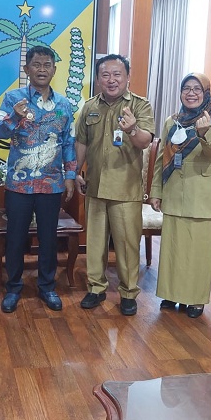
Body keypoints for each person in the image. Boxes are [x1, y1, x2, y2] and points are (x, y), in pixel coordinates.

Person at [0, 45, 77, 313]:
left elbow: (68, 142)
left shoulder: (64, 105)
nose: (42, 69)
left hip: (51, 183)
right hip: (19, 183)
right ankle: (14, 286)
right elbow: (1, 132)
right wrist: (15, 117)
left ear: (54, 69)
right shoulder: (12, 98)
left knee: (48, 237)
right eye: (37, 64)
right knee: (16, 236)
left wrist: (70, 176)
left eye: (47, 65)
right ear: (27, 69)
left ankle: (47, 286)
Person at [75, 54, 155, 316]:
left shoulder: (140, 106)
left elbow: (145, 142)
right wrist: (75, 171)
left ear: (127, 77)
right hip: (95, 185)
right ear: (98, 79)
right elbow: (82, 143)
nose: (111, 80)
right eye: (105, 75)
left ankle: (129, 292)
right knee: (95, 242)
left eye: (117, 74)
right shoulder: (89, 107)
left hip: (125, 189)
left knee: (127, 244)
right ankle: (96, 288)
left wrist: (132, 129)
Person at [148, 73, 211, 318]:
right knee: (173, 248)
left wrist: (203, 134)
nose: (191, 93)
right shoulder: (173, 121)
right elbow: (163, 158)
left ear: (206, 93)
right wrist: (155, 191)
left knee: (198, 251)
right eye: (186, 88)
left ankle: (194, 300)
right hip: (173, 192)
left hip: (201, 195)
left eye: (197, 89)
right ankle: (171, 294)